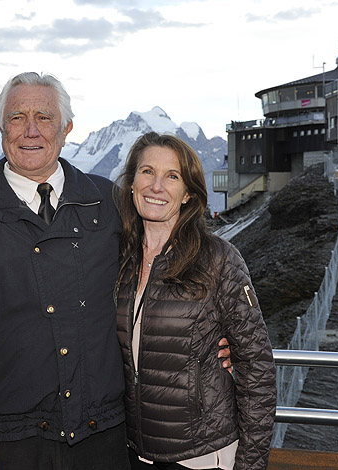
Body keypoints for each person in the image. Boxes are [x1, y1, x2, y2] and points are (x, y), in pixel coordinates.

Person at [0, 73, 232, 470]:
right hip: (3, 442)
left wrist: (213, 340)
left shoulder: (110, 203)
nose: (30, 130)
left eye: (45, 117)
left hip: (103, 438)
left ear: (67, 128)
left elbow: (165, 267)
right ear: (1, 127)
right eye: (17, 117)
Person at [114, 132, 276, 470]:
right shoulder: (118, 258)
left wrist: (250, 464)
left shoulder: (218, 259)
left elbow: (257, 370)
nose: (156, 186)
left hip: (202, 456)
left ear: (188, 193)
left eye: (172, 176)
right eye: (147, 172)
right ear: (131, 183)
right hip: (133, 451)